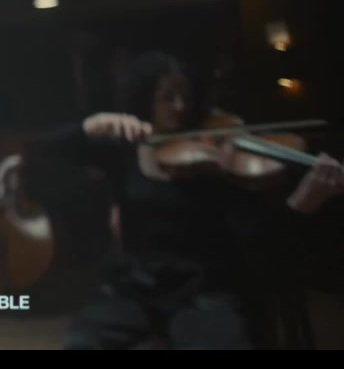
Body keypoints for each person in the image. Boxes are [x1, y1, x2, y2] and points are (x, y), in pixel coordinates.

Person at [29, 52, 344, 349]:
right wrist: (90, 126)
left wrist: (304, 199)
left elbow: (255, 237)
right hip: (136, 285)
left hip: (203, 290)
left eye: (187, 98)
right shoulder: (124, 150)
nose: (180, 106)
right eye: (168, 97)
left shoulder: (218, 159)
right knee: (83, 341)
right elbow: (42, 150)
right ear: (145, 99)